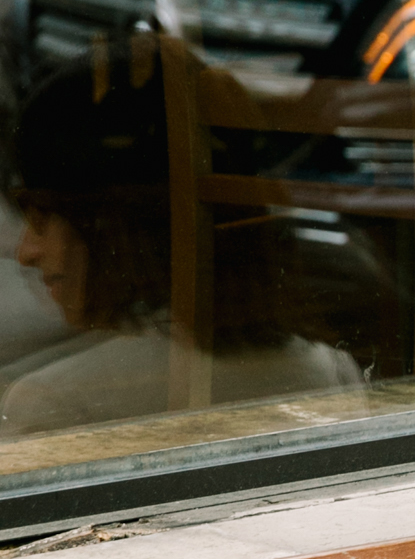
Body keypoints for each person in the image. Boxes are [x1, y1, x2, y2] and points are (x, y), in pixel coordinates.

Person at [2, 37, 364, 434]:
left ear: (113, 228)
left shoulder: (52, 403)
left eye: (41, 220)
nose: (25, 252)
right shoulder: (331, 372)